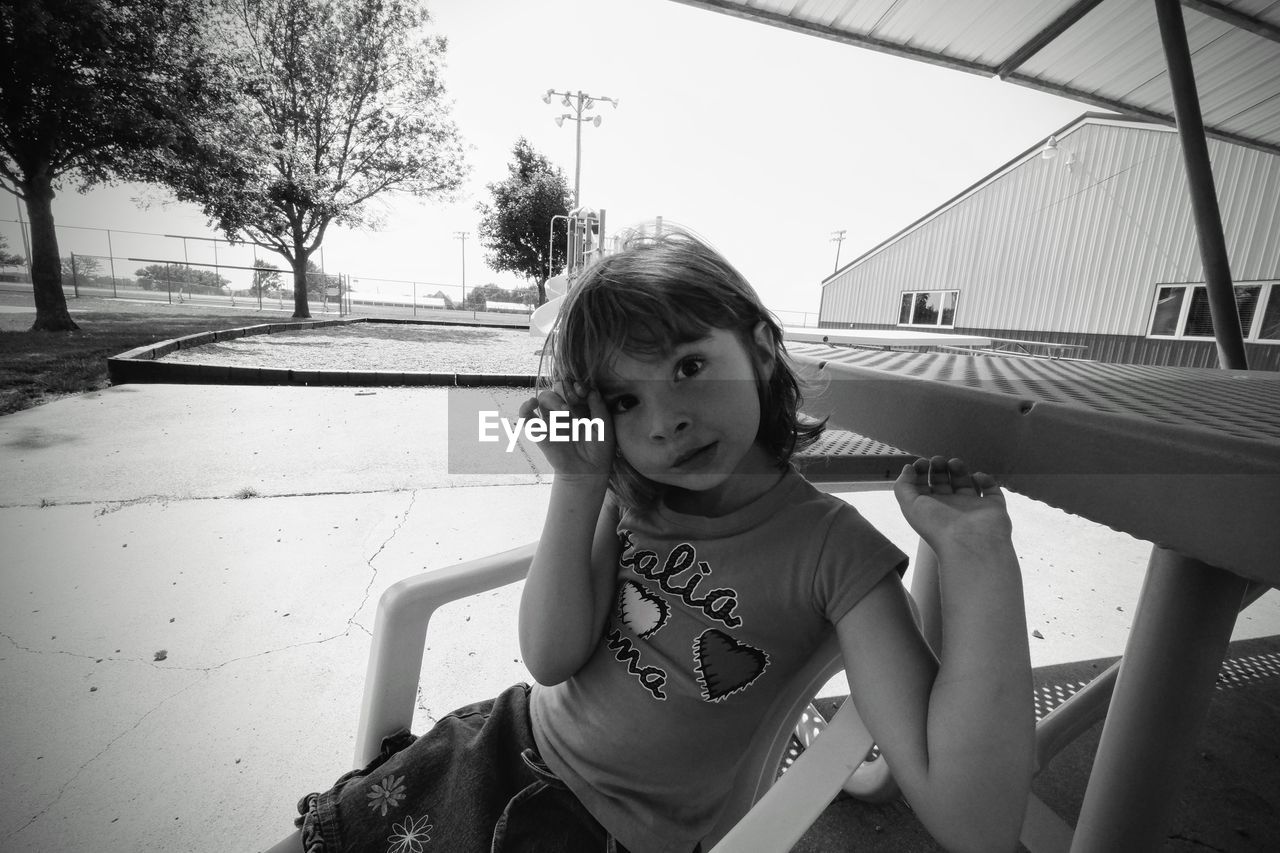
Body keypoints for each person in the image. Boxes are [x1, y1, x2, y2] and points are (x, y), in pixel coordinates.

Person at [286, 226, 1033, 853]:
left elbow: (974, 820)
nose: (663, 419)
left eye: (689, 365)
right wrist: (577, 486)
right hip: (498, 746)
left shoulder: (835, 552)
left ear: (762, 352)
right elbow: (550, 659)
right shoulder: (631, 495)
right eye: (623, 398)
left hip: (605, 835)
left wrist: (978, 557)